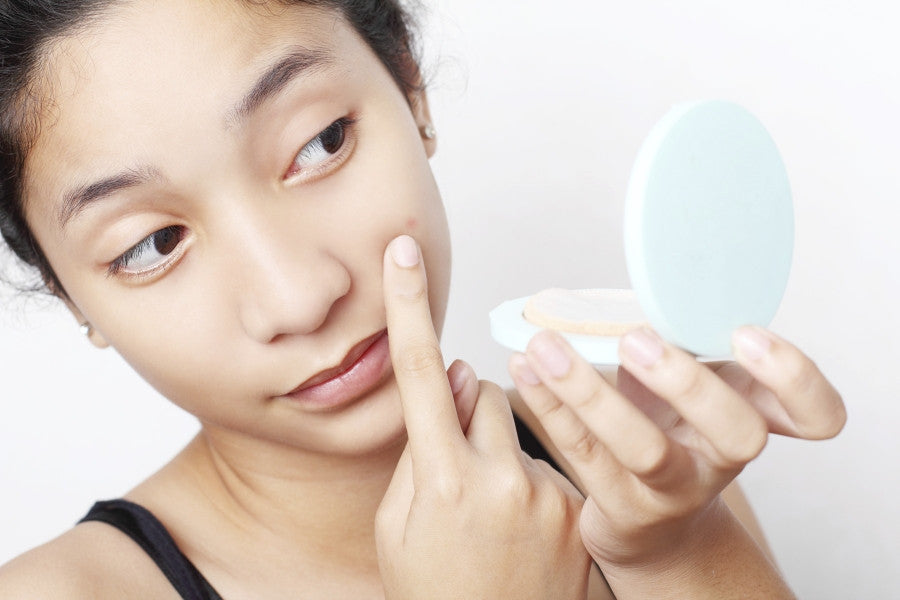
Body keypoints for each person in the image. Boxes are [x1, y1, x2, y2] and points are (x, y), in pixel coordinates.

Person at [0, 0, 846, 598]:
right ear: (68, 292)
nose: (298, 297)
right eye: (153, 244)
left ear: (409, 85)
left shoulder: (643, 471)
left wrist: (673, 548)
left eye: (319, 144)